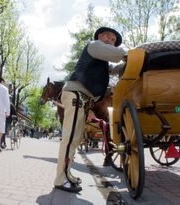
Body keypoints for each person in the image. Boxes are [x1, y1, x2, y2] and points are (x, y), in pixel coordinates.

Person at [54, 27, 126, 193]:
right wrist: (131, 54)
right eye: (108, 36)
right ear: (100, 36)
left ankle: (66, 174)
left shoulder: (101, 60)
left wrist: (128, 65)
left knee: (76, 139)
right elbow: (117, 55)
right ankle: (60, 178)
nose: (111, 40)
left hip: (82, 99)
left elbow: (115, 69)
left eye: (114, 40)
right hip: (75, 94)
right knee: (70, 138)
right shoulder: (94, 45)